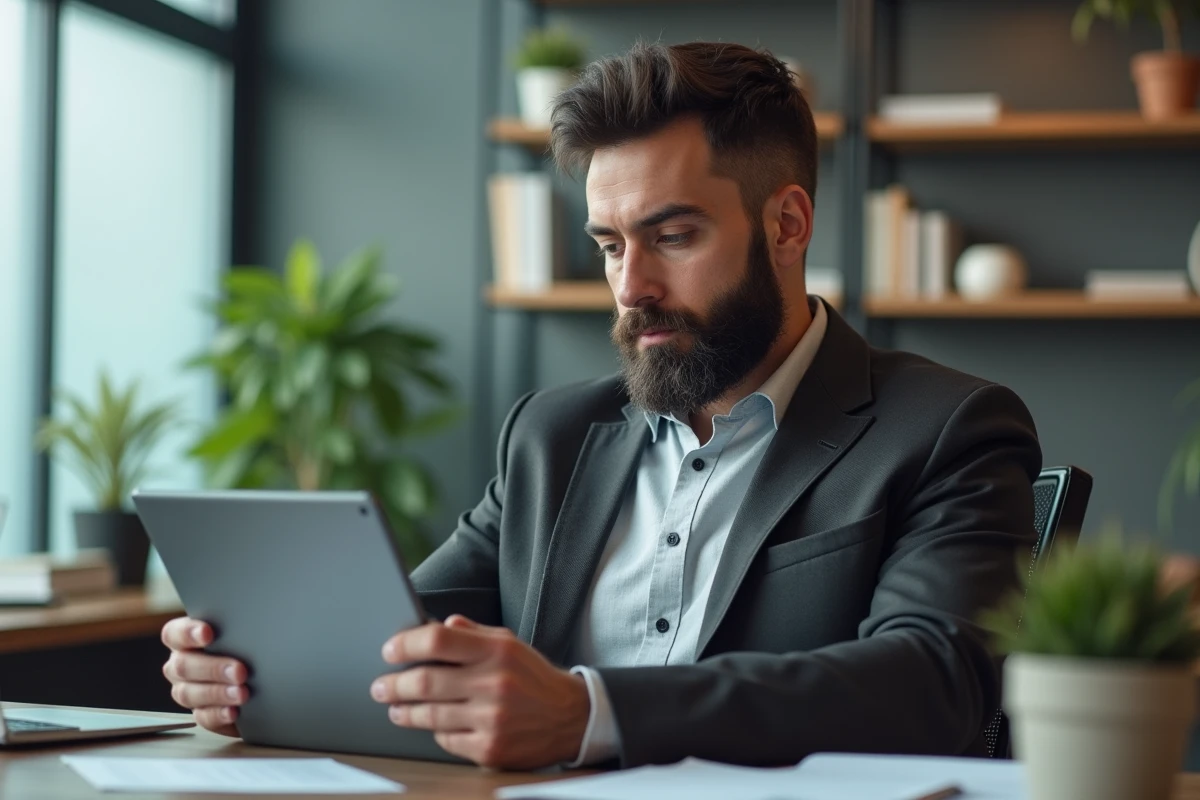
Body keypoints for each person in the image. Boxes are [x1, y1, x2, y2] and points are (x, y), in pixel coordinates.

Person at [159, 41, 1041, 771]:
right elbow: (398, 633)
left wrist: (590, 712)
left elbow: (932, 683)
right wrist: (258, 669)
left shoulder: (947, 429)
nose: (632, 287)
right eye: (610, 245)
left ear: (786, 225)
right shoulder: (550, 434)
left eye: (672, 236)